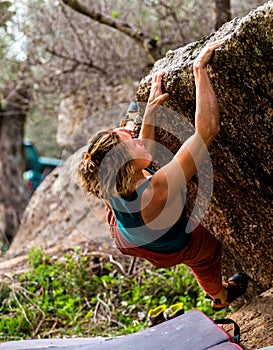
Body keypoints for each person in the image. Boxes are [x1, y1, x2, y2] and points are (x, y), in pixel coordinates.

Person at [77, 38, 248, 311]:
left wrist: (148, 116)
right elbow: (207, 130)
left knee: (145, 166)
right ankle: (220, 296)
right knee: (205, 253)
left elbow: (140, 156)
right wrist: (198, 70)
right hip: (165, 247)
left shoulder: (106, 180)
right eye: (131, 141)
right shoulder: (156, 189)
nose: (138, 139)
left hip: (125, 236)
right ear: (126, 164)